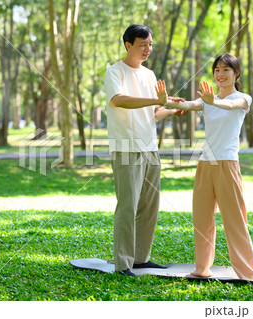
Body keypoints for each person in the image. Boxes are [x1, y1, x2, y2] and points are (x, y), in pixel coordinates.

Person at [156, 53, 253, 280]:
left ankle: (249, 272)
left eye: (226, 70)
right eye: (217, 70)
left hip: (227, 163)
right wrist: (165, 101)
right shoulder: (206, 100)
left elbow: (232, 104)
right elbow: (188, 104)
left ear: (236, 73)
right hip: (206, 163)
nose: (220, 74)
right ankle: (202, 268)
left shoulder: (244, 98)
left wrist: (215, 102)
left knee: (234, 219)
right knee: (202, 218)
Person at [104, 24, 187, 277]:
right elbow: (120, 100)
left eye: (150, 44)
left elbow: (153, 112)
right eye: (143, 44)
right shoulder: (114, 72)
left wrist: (171, 110)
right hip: (126, 148)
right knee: (128, 206)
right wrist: (157, 100)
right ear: (128, 45)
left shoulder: (150, 75)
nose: (148, 49)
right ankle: (123, 263)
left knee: (150, 206)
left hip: (150, 147)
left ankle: (141, 258)